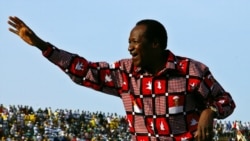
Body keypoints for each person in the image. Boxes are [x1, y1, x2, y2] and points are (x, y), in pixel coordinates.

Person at [8, 16, 236, 141]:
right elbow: (83, 70)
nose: (129, 48)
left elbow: (226, 101)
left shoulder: (190, 71)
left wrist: (211, 112)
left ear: (155, 44)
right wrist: (41, 45)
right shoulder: (125, 74)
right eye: (129, 42)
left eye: (135, 42)